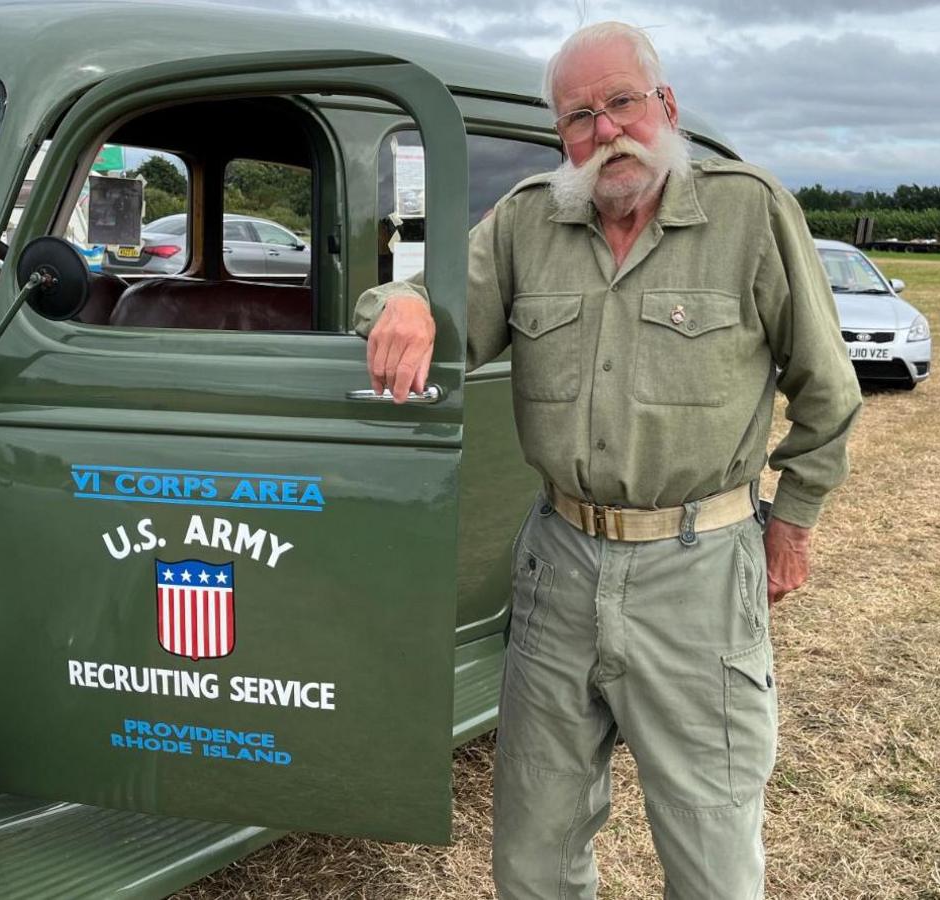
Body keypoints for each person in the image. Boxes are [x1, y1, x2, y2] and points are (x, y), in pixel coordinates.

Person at [354, 22, 861, 899]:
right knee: (533, 845)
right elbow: (438, 303)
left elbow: (828, 389)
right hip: (560, 562)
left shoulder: (748, 210)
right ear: (562, 134)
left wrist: (796, 522)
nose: (606, 130)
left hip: (699, 572)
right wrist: (402, 304)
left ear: (664, 105)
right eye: (579, 115)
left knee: (711, 848)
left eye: (622, 101)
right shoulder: (526, 221)